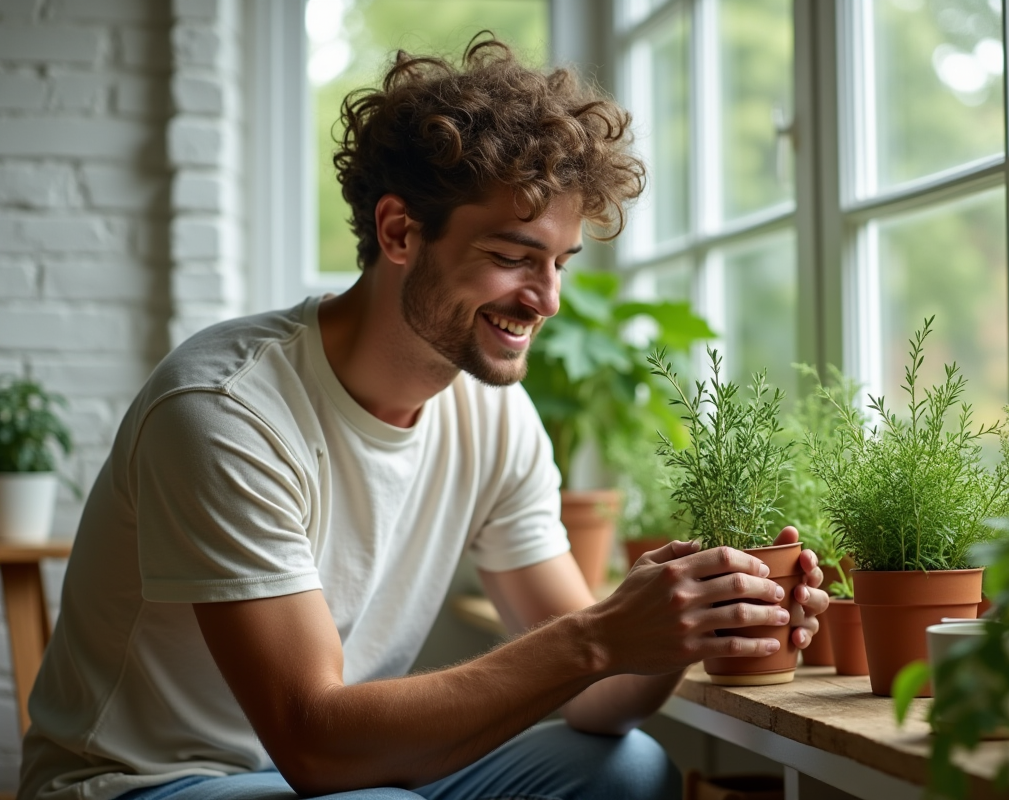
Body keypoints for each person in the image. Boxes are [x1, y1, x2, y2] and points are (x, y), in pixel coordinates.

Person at [19, 37, 829, 800]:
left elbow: (596, 695)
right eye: (512, 257)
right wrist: (598, 636)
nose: (547, 300)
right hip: (152, 782)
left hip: (348, 780)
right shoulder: (226, 410)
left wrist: (687, 623)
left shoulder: (496, 418)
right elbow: (313, 741)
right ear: (400, 232)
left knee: (623, 770)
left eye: (559, 264)